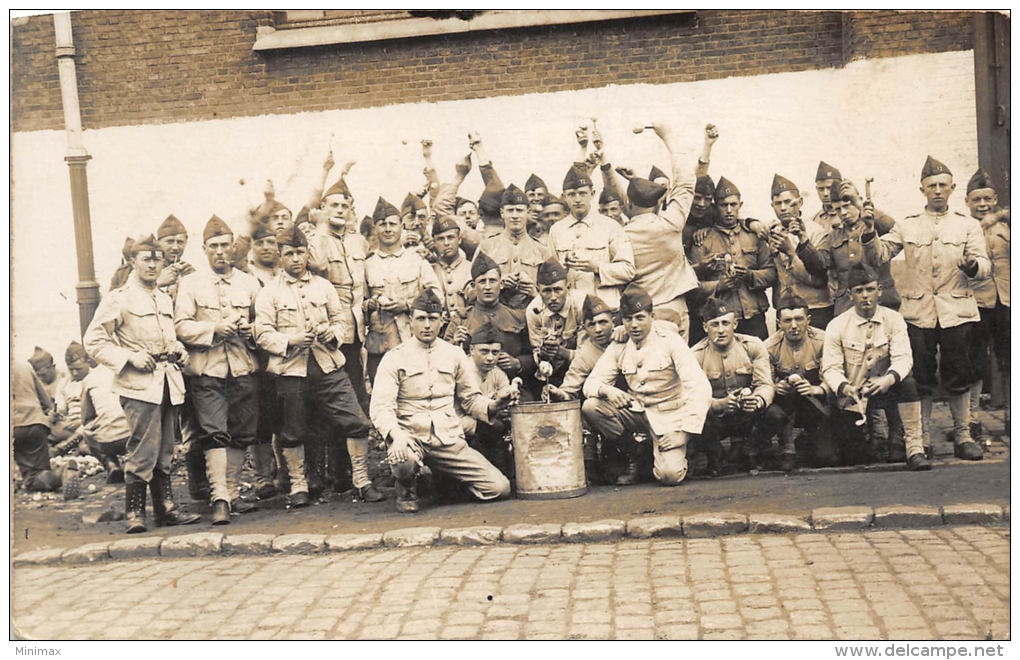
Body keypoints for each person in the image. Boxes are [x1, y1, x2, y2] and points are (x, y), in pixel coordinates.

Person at [865, 156, 992, 461]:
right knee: (921, 376)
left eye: (942, 185)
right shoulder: (907, 225)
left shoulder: (968, 225)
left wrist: (973, 265)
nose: (937, 190)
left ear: (952, 189)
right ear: (922, 190)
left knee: (958, 373)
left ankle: (962, 435)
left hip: (956, 312)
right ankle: (920, 440)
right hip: (919, 313)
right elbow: (879, 255)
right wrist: (869, 230)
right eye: (931, 186)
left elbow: (985, 266)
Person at [254, 226, 380, 506]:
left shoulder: (324, 287)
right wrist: (291, 340)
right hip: (291, 370)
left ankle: (361, 479)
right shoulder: (269, 293)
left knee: (356, 420)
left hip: (328, 365)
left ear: (308, 254)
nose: (296, 259)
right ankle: (299, 485)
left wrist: (331, 334)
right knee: (292, 429)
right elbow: (261, 332)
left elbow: (340, 320)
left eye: (300, 253)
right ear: (280, 256)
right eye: (289, 254)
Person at [83, 234, 201, 533]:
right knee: (143, 450)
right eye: (146, 259)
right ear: (132, 262)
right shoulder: (118, 298)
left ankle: (166, 509)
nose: (152, 264)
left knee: (166, 450)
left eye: (157, 259)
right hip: (138, 385)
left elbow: (169, 337)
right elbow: (94, 341)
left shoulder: (162, 298)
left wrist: (181, 351)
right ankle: (134, 513)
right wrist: (129, 357)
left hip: (167, 382)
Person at [370, 288, 515, 513]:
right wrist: (395, 436)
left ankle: (443, 482)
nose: (427, 325)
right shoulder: (394, 357)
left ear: (442, 321)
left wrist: (496, 404)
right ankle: (406, 486)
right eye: (421, 319)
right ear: (411, 322)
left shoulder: (454, 354)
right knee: (403, 459)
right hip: (411, 438)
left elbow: (470, 400)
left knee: (499, 487)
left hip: (447, 439)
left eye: (432, 319)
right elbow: (381, 407)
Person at [174, 215, 264, 524]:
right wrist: (214, 329)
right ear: (204, 249)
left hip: (242, 367)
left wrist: (250, 330)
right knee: (215, 432)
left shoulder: (250, 283)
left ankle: (234, 493)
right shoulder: (190, 284)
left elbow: (263, 323)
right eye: (213, 246)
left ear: (233, 247)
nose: (220, 252)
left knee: (242, 432)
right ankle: (220, 498)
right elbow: (181, 326)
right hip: (207, 369)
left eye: (225, 245)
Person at [581, 284, 711, 487]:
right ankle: (636, 452)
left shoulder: (670, 341)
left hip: (670, 416)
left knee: (669, 476)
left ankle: (686, 450)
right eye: (628, 319)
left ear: (652, 316)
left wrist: (684, 434)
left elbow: (700, 387)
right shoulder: (620, 344)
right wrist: (607, 389)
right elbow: (591, 383)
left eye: (639, 317)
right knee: (591, 406)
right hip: (638, 411)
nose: (633, 325)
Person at [821, 263, 930, 471]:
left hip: (886, 388)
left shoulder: (894, 319)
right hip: (853, 395)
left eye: (870, 289)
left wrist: (888, 379)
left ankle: (914, 448)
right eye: (858, 291)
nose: (865, 296)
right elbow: (830, 368)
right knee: (856, 457)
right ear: (850, 295)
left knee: (908, 383)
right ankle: (873, 440)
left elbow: (904, 358)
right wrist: (845, 387)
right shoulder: (837, 325)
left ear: (879, 291)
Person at [621, 122, 699, 339]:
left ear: (629, 205)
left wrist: (635, 182)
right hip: (673, 306)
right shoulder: (669, 224)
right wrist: (669, 137)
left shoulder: (621, 235)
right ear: (657, 204)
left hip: (639, 312)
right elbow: (685, 182)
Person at [690, 297, 777, 476]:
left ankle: (750, 448)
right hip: (717, 417)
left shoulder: (752, 346)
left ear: (735, 324)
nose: (721, 330)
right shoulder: (695, 355)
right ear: (705, 327)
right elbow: (693, 397)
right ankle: (715, 455)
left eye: (725, 323)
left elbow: (765, 384)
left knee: (775, 414)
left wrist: (758, 400)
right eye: (714, 324)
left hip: (747, 414)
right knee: (696, 417)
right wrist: (718, 404)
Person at [363, 196, 442, 385]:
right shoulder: (367, 264)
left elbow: (438, 298)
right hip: (380, 346)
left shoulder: (417, 261)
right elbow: (360, 302)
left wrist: (407, 305)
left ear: (402, 226)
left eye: (392, 224)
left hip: (413, 342)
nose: (388, 229)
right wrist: (370, 304)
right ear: (375, 228)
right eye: (382, 225)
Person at [689, 177, 777, 340]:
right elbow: (691, 286)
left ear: (740, 206)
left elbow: (772, 273)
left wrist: (750, 275)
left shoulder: (753, 236)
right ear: (715, 207)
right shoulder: (702, 240)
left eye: (733, 205)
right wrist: (718, 285)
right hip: (719, 321)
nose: (729, 210)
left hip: (753, 318)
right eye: (723, 205)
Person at [796, 179, 900, 316]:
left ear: (859, 200)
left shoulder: (875, 225)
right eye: (838, 209)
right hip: (847, 307)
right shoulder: (834, 236)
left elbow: (894, 228)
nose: (843, 213)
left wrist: (860, 205)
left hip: (882, 303)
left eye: (847, 206)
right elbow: (819, 265)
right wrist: (804, 240)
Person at [548, 165, 636, 311]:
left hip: (605, 308)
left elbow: (628, 270)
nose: (577, 199)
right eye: (571, 194)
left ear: (592, 193)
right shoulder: (556, 230)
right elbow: (551, 275)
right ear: (564, 197)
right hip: (571, 309)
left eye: (582, 193)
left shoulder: (610, 226)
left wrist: (597, 268)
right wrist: (563, 267)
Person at [964, 168, 1010, 438]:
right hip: (976, 301)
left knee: (1009, 359)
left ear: (995, 200)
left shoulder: (1007, 224)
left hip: (1008, 300)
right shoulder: (962, 227)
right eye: (976, 200)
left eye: (987, 199)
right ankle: (972, 421)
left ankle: (1011, 418)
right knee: (975, 362)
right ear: (967, 203)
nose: (982, 205)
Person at [445, 252, 534, 392]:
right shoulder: (461, 320)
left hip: (513, 385)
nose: (487, 287)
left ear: (501, 283)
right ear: (474, 286)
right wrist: (455, 344)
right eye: (482, 281)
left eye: (492, 281)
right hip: (471, 388)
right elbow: (443, 359)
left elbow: (534, 355)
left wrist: (518, 363)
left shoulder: (518, 317)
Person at [761, 295, 831, 471]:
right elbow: (763, 383)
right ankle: (787, 447)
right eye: (787, 321)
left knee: (827, 457)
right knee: (781, 401)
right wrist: (776, 388)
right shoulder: (769, 347)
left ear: (808, 320)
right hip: (785, 406)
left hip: (815, 405)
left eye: (799, 319)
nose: (793, 326)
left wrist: (817, 389)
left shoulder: (824, 341)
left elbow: (833, 374)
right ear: (779, 323)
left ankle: (807, 440)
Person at [760, 174, 834, 330]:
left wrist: (790, 252)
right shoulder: (772, 231)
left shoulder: (816, 232)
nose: (783, 208)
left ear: (800, 202)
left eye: (788, 202)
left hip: (815, 308)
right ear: (772, 205)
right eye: (777, 203)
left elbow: (818, 279)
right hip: (785, 310)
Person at [475, 184, 551, 309]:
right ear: (502, 213)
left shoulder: (541, 249)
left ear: (528, 212)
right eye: (510, 210)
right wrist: (498, 284)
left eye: (519, 210)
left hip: (531, 314)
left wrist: (533, 292)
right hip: (496, 316)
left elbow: (553, 291)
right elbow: (470, 288)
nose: (515, 216)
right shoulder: (487, 247)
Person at [13, 361, 76, 495]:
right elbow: (47, 403)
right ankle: (61, 474)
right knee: (35, 474)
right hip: (34, 423)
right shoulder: (24, 366)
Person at [459, 323, 513, 478]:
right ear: (471, 350)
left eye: (495, 352)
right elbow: (467, 406)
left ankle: (503, 474)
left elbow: (505, 395)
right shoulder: (463, 370)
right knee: (491, 429)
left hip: (484, 421)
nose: (490, 358)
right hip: (457, 422)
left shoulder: (498, 373)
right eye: (484, 351)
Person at [70, 346, 130, 484]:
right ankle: (135, 463)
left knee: (86, 432)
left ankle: (110, 463)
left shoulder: (90, 379)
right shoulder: (125, 370)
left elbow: (86, 418)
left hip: (107, 442)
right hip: (133, 435)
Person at [526, 257, 587, 387]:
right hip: (551, 370)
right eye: (547, 291)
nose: (553, 297)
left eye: (558, 290)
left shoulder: (582, 306)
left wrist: (562, 352)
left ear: (568, 287)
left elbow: (588, 356)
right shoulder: (533, 310)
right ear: (538, 290)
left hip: (582, 369)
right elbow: (536, 350)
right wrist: (542, 356)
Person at [431, 215, 473, 314]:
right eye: (440, 239)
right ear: (434, 243)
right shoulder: (430, 270)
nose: (446, 243)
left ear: (459, 240)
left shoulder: (471, 268)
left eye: (450, 238)